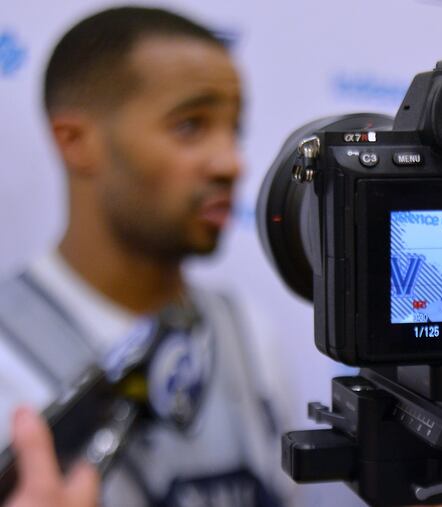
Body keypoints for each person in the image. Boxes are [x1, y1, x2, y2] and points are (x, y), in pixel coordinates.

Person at [0, 7, 285, 506]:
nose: (231, 162)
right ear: (76, 141)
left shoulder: (248, 334)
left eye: (234, 129)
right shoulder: (10, 351)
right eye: (191, 125)